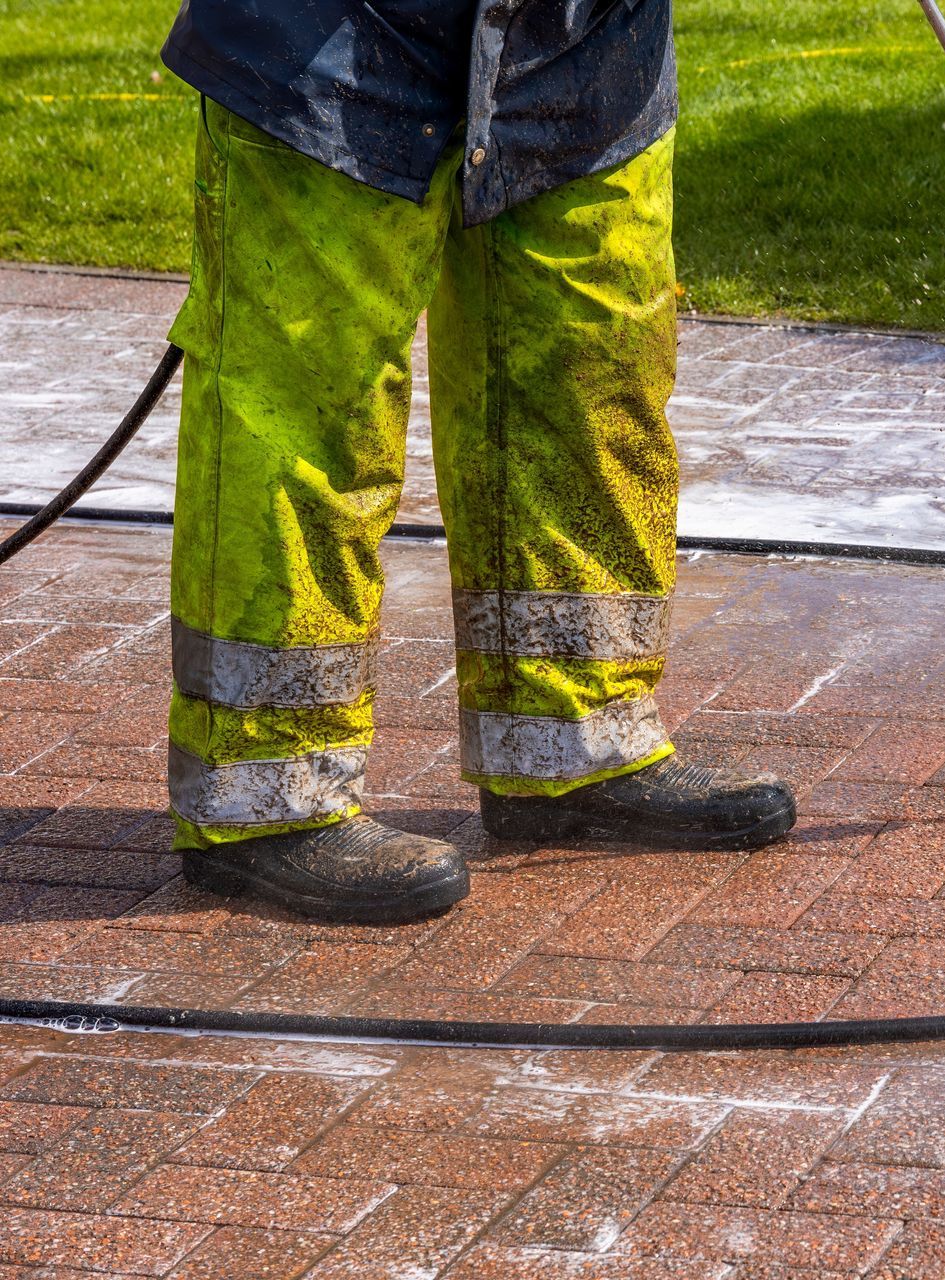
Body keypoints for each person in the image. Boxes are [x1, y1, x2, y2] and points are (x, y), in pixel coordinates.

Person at [157, 0, 795, 925]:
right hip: (329, 36)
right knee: (308, 406)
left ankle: (572, 741)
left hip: (583, 42)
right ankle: (266, 794)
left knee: (589, 381)